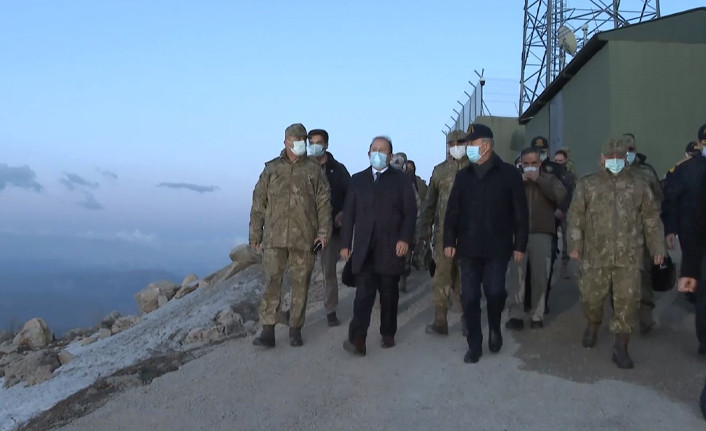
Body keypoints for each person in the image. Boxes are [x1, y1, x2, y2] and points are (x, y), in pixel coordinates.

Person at [568, 137, 664, 369]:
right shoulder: (587, 185)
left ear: (626, 159)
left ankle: (621, 347)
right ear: (602, 159)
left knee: (627, 302)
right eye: (610, 157)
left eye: (619, 157)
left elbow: (651, 218)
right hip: (595, 255)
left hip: (629, 257)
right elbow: (575, 217)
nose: (614, 161)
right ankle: (593, 322)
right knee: (591, 298)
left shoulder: (639, 185)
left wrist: (658, 246)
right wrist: (575, 244)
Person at [444, 124, 528, 364]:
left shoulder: (509, 174)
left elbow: (520, 213)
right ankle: (474, 343)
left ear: (486, 145)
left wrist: (520, 243)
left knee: (495, 292)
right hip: (469, 248)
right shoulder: (463, 176)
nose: (467, 148)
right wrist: (449, 240)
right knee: (469, 297)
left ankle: (494, 327)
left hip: (497, 248)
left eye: (471, 144)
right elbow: (452, 212)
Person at [249, 123, 332, 348]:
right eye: (296, 139)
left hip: (305, 237)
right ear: (286, 141)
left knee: (300, 284)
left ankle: (295, 328)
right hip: (274, 238)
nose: (300, 143)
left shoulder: (314, 170)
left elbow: (324, 204)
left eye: (303, 139)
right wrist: (255, 233)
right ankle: (267, 330)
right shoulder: (272, 169)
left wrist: (323, 233)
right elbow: (258, 203)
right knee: (271, 282)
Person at [340, 136, 417, 356]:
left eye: (382, 150)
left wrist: (405, 239)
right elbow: (349, 216)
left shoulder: (401, 180)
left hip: (392, 248)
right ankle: (358, 339)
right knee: (363, 296)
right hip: (365, 249)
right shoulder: (358, 180)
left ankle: (388, 332)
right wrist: (345, 244)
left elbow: (411, 213)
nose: (378, 153)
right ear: (368, 153)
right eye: (374, 149)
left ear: (390, 156)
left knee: (389, 294)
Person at [506, 147, 566, 330]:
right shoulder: (514, 179)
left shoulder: (549, 178)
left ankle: (536, 315)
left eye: (533, 163)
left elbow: (560, 194)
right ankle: (516, 315)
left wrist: (538, 180)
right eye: (526, 164)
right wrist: (519, 183)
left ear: (539, 163)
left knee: (541, 276)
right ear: (521, 164)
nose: (530, 167)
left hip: (542, 232)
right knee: (517, 276)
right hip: (518, 235)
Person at [419, 130, 469, 336]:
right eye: (452, 143)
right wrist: (424, 230)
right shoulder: (440, 171)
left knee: (468, 276)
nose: (456, 146)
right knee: (442, 275)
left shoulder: (475, 169)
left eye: (460, 142)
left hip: (469, 233)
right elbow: (429, 203)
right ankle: (440, 320)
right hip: (443, 234)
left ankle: (468, 319)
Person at [663, 123, 706, 353]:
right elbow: (671, 201)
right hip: (696, 238)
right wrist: (670, 230)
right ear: (699, 144)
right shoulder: (686, 170)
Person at [307, 128, 351, 327]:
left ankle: (331, 310)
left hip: (330, 230)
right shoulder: (304, 168)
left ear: (326, 144)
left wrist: (342, 213)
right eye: (312, 142)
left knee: (329, 272)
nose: (315, 146)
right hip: (306, 229)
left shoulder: (338, 169)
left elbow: (351, 195)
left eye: (319, 142)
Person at [623, 132, 664, 333]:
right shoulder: (611, 171)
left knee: (645, 276)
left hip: (642, 234)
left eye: (630, 150)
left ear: (635, 150)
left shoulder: (647, 172)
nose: (627, 154)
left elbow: (658, 199)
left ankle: (646, 317)